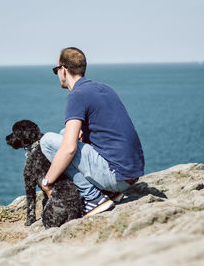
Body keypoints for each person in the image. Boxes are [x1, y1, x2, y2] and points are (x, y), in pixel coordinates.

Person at [40, 47, 145, 216]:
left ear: (64, 70)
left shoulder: (77, 95)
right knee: (63, 134)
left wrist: (47, 182)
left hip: (115, 176)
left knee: (47, 141)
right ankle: (111, 193)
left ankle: (93, 197)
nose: (57, 74)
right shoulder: (104, 88)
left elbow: (69, 149)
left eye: (56, 70)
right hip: (130, 174)